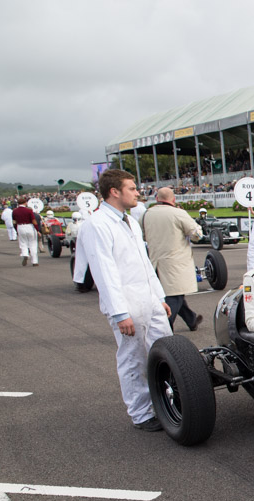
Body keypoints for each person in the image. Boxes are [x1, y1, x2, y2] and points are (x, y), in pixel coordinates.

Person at [76, 169, 172, 431]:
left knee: (165, 349)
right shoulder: (97, 225)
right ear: (114, 192)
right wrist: (119, 313)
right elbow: (104, 272)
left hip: (148, 297)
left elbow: (144, 264)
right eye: (131, 188)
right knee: (134, 358)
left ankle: (166, 401)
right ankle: (141, 412)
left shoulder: (128, 221)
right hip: (126, 300)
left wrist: (158, 297)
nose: (137, 192)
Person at [142, 187, 204, 332]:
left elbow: (142, 234)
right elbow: (196, 234)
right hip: (176, 262)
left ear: (157, 199)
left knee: (175, 293)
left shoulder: (147, 214)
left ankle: (191, 319)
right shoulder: (178, 213)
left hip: (155, 261)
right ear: (173, 199)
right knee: (174, 296)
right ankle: (165, 326)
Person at [12, 197, 39, 266]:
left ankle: (25, 254)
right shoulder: (28, 211)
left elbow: (14, 222)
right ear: (25, 203)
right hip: (29, 226)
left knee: (23, 243)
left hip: (20, 227)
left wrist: (16, 230)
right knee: (33, 243)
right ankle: (34, 261)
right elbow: (34, 221)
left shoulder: (14, 211)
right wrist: (37, 230)